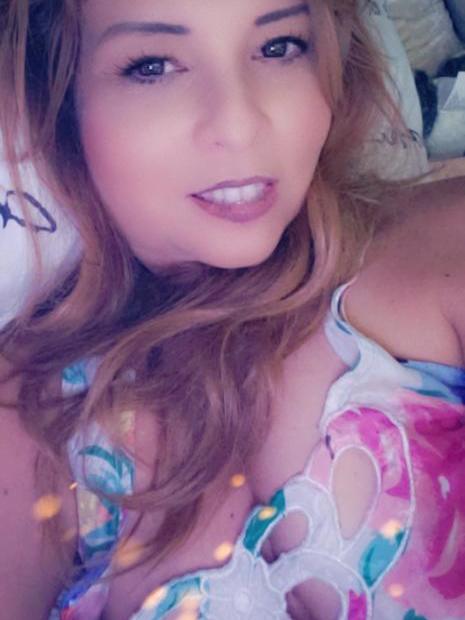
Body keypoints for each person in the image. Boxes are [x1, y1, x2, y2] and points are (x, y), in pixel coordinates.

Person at [0, 1, 464, 619]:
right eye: (153, 65)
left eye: (279, 47)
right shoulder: (31, 413)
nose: (241, 124)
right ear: (61, 102)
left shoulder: (438, 249)